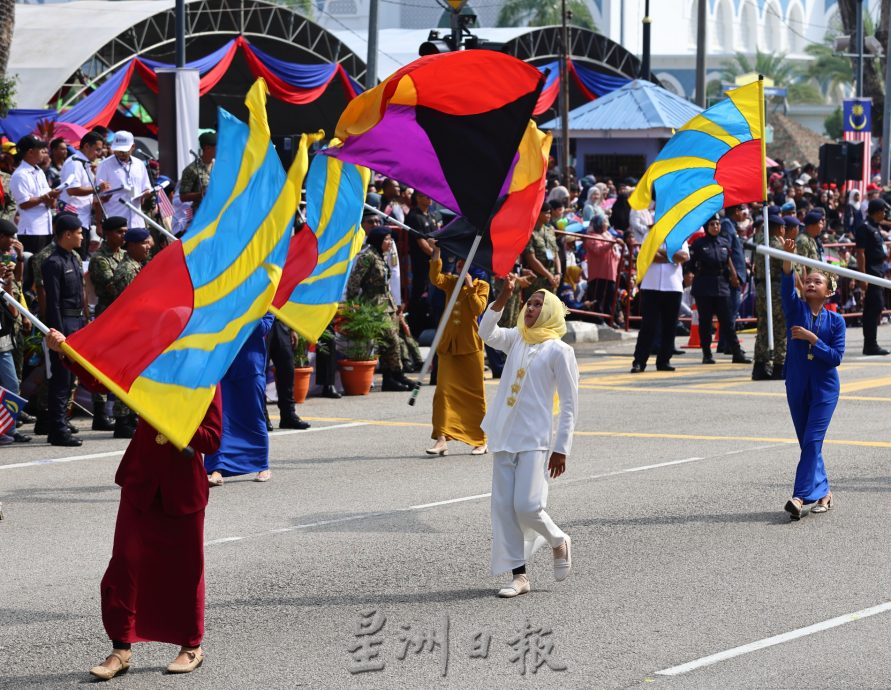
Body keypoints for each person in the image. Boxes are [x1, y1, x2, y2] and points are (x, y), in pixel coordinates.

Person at [42, 328, 222, 679]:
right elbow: (103, 381)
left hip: (182, 487)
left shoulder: (205, 379)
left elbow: (212, 438)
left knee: (185, 569)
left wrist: (175, 426)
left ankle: (191, 644)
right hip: (141, 481)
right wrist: (67, 352)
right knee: (126, 564)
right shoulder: (147, 367)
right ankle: (120, 649)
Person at [478, 278, 578, 598]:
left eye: (538, 304)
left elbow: (570, 405)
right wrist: (504, 296)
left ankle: (557, 540)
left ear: (549, 311)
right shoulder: (516, 339)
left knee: (528, 505)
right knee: (504, 509)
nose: (531, 308)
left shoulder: (560, 351)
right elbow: (486, 333)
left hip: (535, 439)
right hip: (504, 435)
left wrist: (561, 449)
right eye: (529, 303)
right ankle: (519, 576)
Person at [779, 239, 845, 520]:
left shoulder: (836, 321)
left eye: (817, 282)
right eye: (807, 281)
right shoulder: (797, 310)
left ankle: (798, 496)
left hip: (825, 388)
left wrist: (813, 339)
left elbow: (835, 358)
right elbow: (785, 287)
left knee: (813, 439)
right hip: (796, 382)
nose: (810, 284)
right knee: (808, 442)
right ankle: (825, 492)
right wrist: (787, 259)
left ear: (828, 291)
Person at [425, 242, 489, 456]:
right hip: (449, 345)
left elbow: (477, 309)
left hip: (471, 347)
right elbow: (436, 279)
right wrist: (436, 252)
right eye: (459, 262)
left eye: (465, 263)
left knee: (475, 395)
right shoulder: (451, 282)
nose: (460, 266)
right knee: (443, 392)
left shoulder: (482, 286)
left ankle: (480, 439)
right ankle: (441, 438)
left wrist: (470, 286)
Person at [206, 313, 274, 485]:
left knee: (254, 415)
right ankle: (216, 469)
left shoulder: (264, 299)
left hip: (251, 365)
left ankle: (262, 465)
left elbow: (263, 328)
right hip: (223, 363)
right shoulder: (227, 294)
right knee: (220, 418)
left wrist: (248, 311)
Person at [344, 226, 414, 391]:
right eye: (387, 239)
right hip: (374, 305)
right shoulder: (367, 257)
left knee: (389, 342)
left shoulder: (381, 256)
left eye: (390, 239)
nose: (390, 243)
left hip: (386, 304)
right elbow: (354, 282)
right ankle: (395, 375)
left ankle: (393, 377)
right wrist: (353, 304)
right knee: (391, 340)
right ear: (378, 240)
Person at [41, 213, 88, 446]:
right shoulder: (53, 262)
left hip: (78, 323)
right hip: (63, 324)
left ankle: (60, 422)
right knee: (61, 378)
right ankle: (57, 429)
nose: (82, 236)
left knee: (71, 380)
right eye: (79, 232)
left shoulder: (74, 258)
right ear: (67, 235)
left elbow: (81, 294)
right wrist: (59, 338)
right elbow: (54, 303)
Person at [107, 227, 154, 438]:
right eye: (144, 243)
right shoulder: (127, 270)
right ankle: (122, 420)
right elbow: (132, 305)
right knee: (125, 373)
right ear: (132, 245)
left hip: (136, 329)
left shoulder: (137, 266)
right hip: (128, 329)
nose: (148, 247)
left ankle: (130, 415)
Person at [687, 214, 751, 365]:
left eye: (717, 224)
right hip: (704, 286)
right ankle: (707, 354)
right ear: (706, 227)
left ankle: (736, 353)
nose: (715, 227)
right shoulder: (699, 244)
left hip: (722, 286)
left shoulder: (724, 242)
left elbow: (729, 262)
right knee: (705, 322)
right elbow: (691, 265)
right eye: (712, 225)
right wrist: (689, 276)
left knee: (728, 321)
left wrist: (734, 276)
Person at [85, 216, 128, 432]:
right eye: (120, 232)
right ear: (108, 234)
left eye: (125, 231)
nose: (124, 235)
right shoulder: (100, 258)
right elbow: (114, 287)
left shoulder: (125, 255)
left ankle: (123, 412)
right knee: (104, 363)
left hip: (126, 314)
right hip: (108, 313)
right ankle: (100, 412)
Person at [631, 238, 689, 373]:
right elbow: (649, 256)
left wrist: (659, 250)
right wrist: (671, 256)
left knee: (669, 326)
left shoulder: (679, 237)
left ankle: (664, 360)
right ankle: (639, 361)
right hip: (651, 285)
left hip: (672, 286)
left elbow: (683, 256)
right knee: (648, 326)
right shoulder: (650, 235)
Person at [752, 214, 788, 380]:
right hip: (774, 289)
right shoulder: (775, 245)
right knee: (780, 328)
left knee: (764, 328)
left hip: (761, 288)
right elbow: (788, 265)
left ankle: (760, 365)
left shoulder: (760, 241)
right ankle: (779, 366)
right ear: (779, 228)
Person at [855, 198, 891, 356]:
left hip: (879, 271)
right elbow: (860, 253)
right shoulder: (865, 227)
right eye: (883, 210)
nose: (885, 213)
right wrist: (862, 277)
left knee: (876, 307)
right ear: (877, 211)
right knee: (874, 307)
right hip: (870, 272)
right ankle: (870, 344)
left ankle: (871, 343)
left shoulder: (875, 227)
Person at [10, 136, 58, 254]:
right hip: (31, 230)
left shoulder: (39, 171)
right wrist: (44, 198)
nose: (43, 153)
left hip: (45, 228)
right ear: (30, 152)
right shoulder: (20, 175)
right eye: (40, 149)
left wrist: (52, 198)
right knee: (33, 267)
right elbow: (24, 204)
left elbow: (49, 198)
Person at [95, 131, 152, 230]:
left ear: (133, 147)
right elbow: (98, 198)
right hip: (116, 222)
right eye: (118, 150)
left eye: (124, 150)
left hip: (137, 221)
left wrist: (146, 194)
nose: (121, 153)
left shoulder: (139, 164)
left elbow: (146, 187)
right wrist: (99, 224)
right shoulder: (104, 165)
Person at [59, 131, 110, 236]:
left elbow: (87, 193)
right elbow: (72, 190)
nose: (99, 154)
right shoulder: (74, 163)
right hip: (73, 220)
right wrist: (98, 188)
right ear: (86, 146)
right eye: (97, 150)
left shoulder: (85, 164)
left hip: (82, 219)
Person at [267, 318, 311, 429]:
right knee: (260, 373)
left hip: (280, 322)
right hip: (259, 323)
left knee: (287, 370)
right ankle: (262, 417)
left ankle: (288, 415)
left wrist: (292, 328)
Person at [717, 205, 748, 355]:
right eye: (742, 210)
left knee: (731, 312)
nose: (744, 214)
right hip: (732, 277)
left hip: (738, 274)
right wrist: (733, 274)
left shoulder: (732, 226)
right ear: (736, 211)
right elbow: (726, 251)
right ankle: (728, 344)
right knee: (730, 312)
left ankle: (725, 343)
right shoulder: (727, 225)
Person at [523, 204, 560, 299]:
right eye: (546, 213)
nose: (549, 215)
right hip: (537, 279)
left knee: (548, 310)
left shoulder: (550, 230)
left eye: (550, 213)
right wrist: (549, 276)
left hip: (552, 279)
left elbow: (556, 253)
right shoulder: (530, 232)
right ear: (538, 213)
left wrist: (558, 274)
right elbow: (531, 259)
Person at [178, 131, 215, 212]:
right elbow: (182, 197)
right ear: (207, 148)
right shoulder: (192, 169)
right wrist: (200, 194)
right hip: (201, 215)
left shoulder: (220, 166)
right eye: (217, 146)